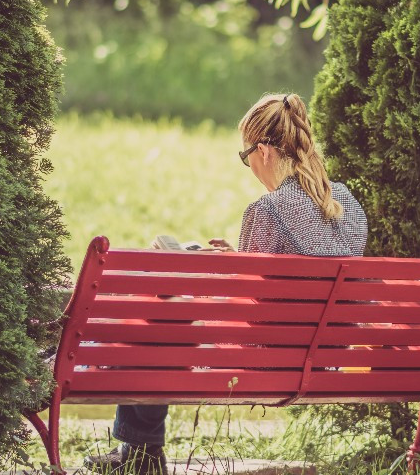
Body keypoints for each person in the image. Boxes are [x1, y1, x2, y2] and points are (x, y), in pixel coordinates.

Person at [85, 93, 368, 475]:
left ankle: (141, 456)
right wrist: (238, 258)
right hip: (324, 357)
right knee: (165, 312)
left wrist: (203, 275)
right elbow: (292, 276)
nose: (248, 164)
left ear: (264, 151)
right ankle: (139, 455)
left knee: (162, 314)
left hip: (265, 359)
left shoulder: (267, 210)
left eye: (245, 154)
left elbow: (247, 305)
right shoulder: (347, 203)